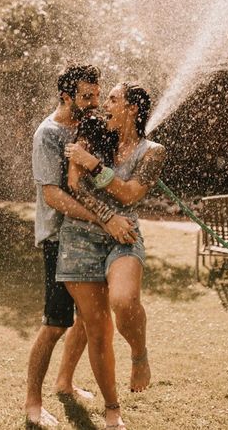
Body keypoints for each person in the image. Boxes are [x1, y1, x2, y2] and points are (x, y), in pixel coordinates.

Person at [25, 67, 136, 427]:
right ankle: (33, 403)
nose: (94, 104)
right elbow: (53, 194)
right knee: (56, 323)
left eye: (97, 96)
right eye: (86, 97)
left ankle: (65, 382)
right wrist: (102, 218)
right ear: (66, 96)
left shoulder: (88, 125)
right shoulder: (48, 134)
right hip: (60, 239)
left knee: (90, 321)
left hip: (89, 239)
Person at [56, 82, 166, 430]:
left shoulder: (153, 152)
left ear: (132, 109)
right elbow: (74, 184)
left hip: (124, 236)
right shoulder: (91, 131)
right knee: (93, 325)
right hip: (83, 239)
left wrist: (94, 165)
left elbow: (131, 194)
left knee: (122, 299)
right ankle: (109, 406)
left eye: (114, 100)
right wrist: (106, 217)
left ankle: (139, 355)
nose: (106, 104)